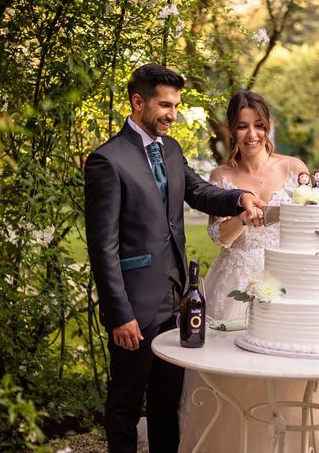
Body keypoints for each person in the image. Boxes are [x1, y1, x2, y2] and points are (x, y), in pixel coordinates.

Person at [178, 91, 319, 452]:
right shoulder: (221, 175)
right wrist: (243, 218)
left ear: (268, 127)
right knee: (236, 376)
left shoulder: (293, 168)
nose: (251, 134)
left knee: (296, 372)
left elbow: (312, 223)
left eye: (258, 125)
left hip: (290, 282)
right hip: (235, 284)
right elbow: (220, 238)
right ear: (231, 131)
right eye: (242, 126)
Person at [84, 64, 266, 453]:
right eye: (164, 105)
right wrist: (121, 315)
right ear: (137, 102)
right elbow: (103, 248)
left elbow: (199, 192)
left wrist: (239, 198)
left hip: (177, 300)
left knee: (167, 402)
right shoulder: (107, 161)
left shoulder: (170, 149)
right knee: (126, 404)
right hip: (135, 306)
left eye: (176, 106)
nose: (172, 114)